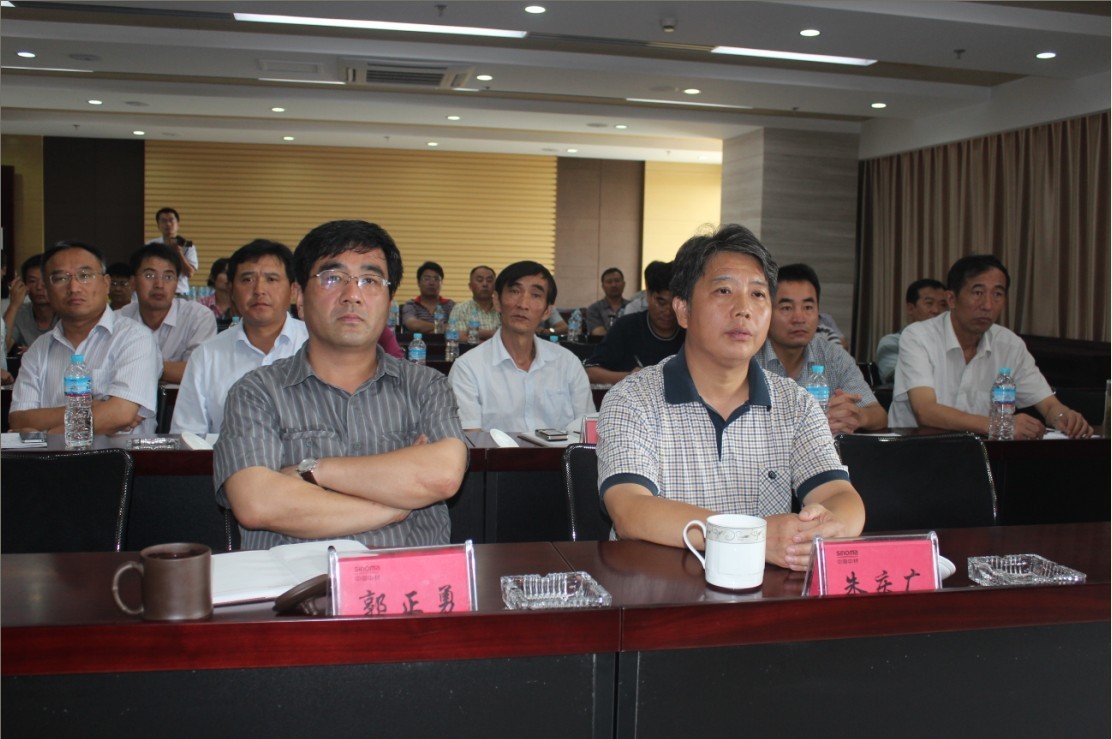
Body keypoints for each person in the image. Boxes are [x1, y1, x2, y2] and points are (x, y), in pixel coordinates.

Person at [597, 225, 864, 571]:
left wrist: (831, 527)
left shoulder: (796, 404)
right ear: (683, 311)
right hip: (659, 592)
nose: (744, 309)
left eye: (758, 294)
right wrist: (753, 536)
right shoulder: (632, 399)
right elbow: (630, 511)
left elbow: (840, 496)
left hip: (764, 593)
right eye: (724, 290)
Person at [213, 220, 467, 550]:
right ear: (299, 297)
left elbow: (442, 476)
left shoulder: (427, 387)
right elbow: (257, 503)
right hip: (295, 581)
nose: (352, 296)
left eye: (370, 280)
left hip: (411, 580)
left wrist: (312, 470)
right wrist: (395, 507)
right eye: (333, 278)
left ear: (389, 301)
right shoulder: (256, 392)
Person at [890, 254, 1092, 439]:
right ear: (951, 299)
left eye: (997, 294)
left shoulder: (1009, 344)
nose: (988, 305)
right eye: (978, 292)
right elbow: (925, 411)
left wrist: (1063, 416)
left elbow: (1048, 405)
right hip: (917, 450)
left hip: (982, 454)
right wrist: (999, 425)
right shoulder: (918, 337)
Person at [9, 241, 160, 434]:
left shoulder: (135, 337)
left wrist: (48, 435)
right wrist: (92, 408)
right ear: (47, 289)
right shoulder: (39, 348)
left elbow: (121, 414)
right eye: (60, 278)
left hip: (118, 454)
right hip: (50, 455)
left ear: (106, 284)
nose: (74, 287)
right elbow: (19, 419)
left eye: (85, 276)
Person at [171, 240, 308, 435]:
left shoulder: (320, 347)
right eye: (247, 279)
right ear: (231, 290)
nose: (259, 290)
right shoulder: (206, 356)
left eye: (271, 279)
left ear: (293, 290)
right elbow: (188, 436)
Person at [449, 260, 595, 432]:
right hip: (492, 451)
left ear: (547, 311)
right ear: (497, 301)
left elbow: (588, 432)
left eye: (535, 295)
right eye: (515, 291)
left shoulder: (568, 363)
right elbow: (470, 438)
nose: (523, 304)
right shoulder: (467, 367)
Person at [756, 263, 887, 434]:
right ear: (766, 311)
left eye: (808, 307)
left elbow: (879, 415)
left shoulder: (832, 355)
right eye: (787, 308)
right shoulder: (747, 356)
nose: (799, 318)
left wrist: (856, 416)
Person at [119, 243, 217, 384]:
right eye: (149, 275)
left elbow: (200, 372)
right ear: (133, 282)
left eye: (168, 277)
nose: (159, 284)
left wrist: (135, 366)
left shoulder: (198, 317)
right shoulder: (118, 320)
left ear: (177, 284)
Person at [585, 260, 684, 385]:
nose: (668, 311)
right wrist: (631, 377)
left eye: (675, 303)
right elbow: (591, 372)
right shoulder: (627, 327)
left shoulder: (689, 331)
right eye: (661, 302)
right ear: (648, 296)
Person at [874, 278, 947, 384]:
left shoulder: (952, 343)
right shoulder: (892, 343)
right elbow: (900, 379)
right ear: (910, 308)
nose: (936, 310)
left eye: (943, 305)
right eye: (929, 303)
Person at [5, 255, 57, 354]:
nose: (39, 287)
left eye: (45, 280)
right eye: (32, 281)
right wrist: (13, 306)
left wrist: (36, 352)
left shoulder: (67, 313)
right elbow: (2, 348)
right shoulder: (20, 313)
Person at [147, 207, 198, 296]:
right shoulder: (151, 245)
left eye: (171, 220)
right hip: (158, 291)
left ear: (178, 225)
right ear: (158, 225)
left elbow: (190, 273)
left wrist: (178, 252)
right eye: (163, 221)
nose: (168, 224)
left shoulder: (187, 246)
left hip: (180, 292)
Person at [400, 261, 455, 333]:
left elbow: (456, 327)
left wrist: (425, 328)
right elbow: (413, 325)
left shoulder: (450, 305)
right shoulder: (411, 304)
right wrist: (442, 327)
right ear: (418, 282)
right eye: (427, 279)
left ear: (441, 282)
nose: (432, 283)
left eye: (436, 279)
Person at [448, 265, 499, 341]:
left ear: (495, 286)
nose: (485, 284)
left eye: (489, 280)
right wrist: (494, 334)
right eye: (480, 280)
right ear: (470, 286)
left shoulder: (503, 309)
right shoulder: (460, 309)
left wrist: (475, 332)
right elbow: (458, 337)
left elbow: (510, 335)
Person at [585, 267, 629, 335]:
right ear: (603, 286)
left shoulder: (632, 307)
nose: (614, 285)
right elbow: (598, 333)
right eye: (609, 282)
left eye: (617, 281)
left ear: (623, 284)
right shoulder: (594, 309)